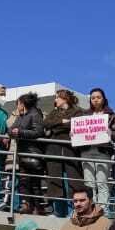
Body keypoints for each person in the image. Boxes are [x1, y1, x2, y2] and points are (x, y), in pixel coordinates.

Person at [76, 87, 115, 210]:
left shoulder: (112, 116)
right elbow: (78, 130)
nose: (95, 100)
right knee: (89, 182)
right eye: (93, 98)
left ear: (104, 99)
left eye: (98, 97)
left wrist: (110, 133)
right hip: (87, 150)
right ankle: (90, 208)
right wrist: (74, 133)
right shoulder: (84, 115)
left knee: (102, 182)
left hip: (103, 152)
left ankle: (102, 209)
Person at [42, 88, 81, 217]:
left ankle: (72, 211)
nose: (55, 100)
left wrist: (58, 126)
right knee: (55, 180)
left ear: (65, 98)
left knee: (71, 181)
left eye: (58, 97)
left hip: (70, 150)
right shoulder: (54, 112)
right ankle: (58, 211)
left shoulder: (77, 111)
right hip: (54, 149)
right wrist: (61, 122)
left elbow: (76, 125)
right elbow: (46, 123)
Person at [7, 92, 46, 213]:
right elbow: (10, 129)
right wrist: (13, 132)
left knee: (34, 183)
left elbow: (38, 132)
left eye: (19, 103)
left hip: (33, 153)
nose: (17, 105)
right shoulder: (22, 116)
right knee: (24, 182)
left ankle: (38, 208)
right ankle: (27, 205)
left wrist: (20, 132)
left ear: (23, 103)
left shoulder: (35, 114)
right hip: (23, 153)